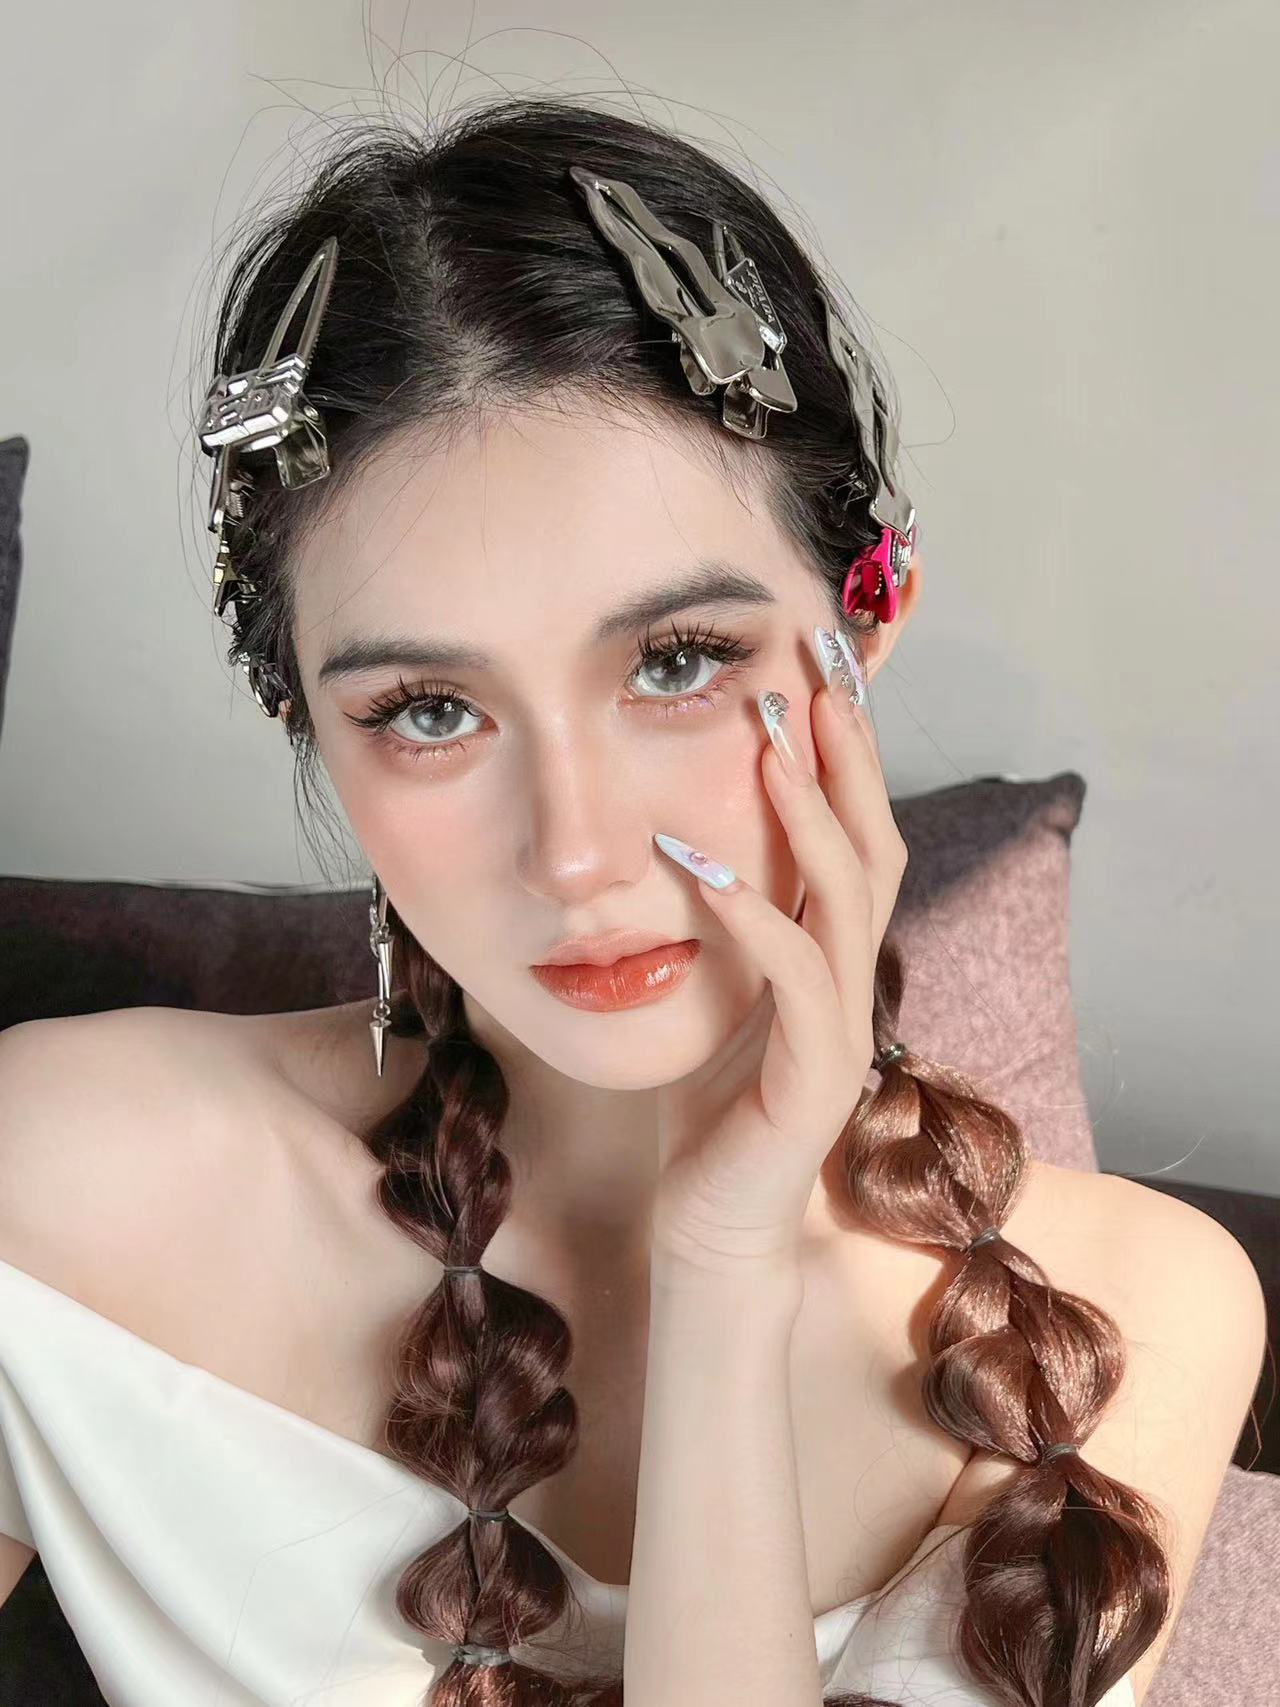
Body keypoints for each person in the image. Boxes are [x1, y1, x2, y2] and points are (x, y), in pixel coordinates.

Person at [0, 95, 1267, 1707]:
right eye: (429, 711)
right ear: (309, 722)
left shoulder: (1130, 1317)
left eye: (676, 663)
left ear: (866, 617)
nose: (577, 853)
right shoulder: (61, 1184)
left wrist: (724, 1267)